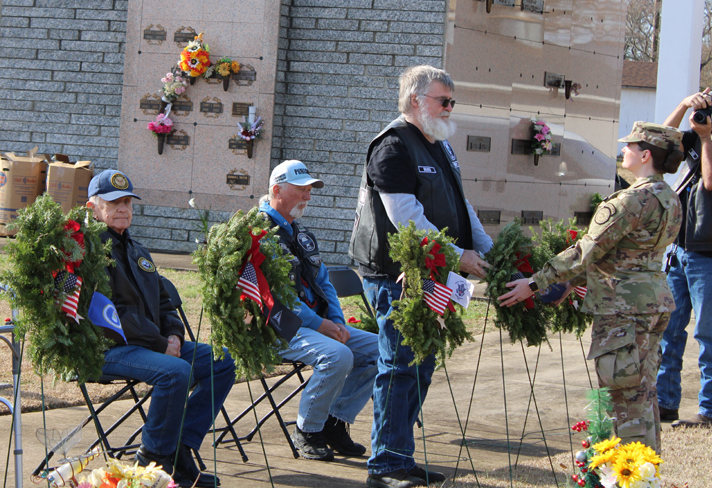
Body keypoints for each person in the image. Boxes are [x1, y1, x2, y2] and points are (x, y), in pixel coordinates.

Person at [349, 65, 493, 488]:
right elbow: (406, 219)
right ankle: (386, 465)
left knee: (421, 366)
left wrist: (485, 249)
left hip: (435, 274)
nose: (450, 108)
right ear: (416, 101)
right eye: (443, 100)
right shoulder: (392, 146)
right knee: (398, 365)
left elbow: (461, 207)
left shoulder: (440, 146)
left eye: (452, 101)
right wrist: (457, 255)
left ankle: (400, 454)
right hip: (397, 275)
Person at [500, 122, 684, 452]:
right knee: (642, 394)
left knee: (621, 400)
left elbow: (585, 251)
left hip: (622, 310)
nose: (623, 150)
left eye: (630, 146)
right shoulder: (669, 198)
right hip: (654, 304)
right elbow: (623, 254)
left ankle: (626, 475)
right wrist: (572, 284)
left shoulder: (631, 200)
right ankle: (645, 475)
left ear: (645, 155)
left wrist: (534, 283)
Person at [86, 169, 235, 488]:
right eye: (113, 202)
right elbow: (111, 315)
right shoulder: (88, 252)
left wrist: (174, 336)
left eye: (127, 201)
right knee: (175, 371)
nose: (123, 208)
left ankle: (180, 447)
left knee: (221, 362)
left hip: (149, 345)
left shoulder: (138, 251)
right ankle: (149, 466)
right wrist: (159, 343)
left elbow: (165, 304)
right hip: (107, 348)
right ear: (93, 208)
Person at [260, 160, 379, 461]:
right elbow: (276, 296)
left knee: (381, 350)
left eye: (309, 191)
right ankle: (307, 430)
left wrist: (336, 321)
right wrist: (320, 325)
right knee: (338, 355)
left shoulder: (300, 234)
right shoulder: (258, 234)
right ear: (277, 190)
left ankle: (333, 423)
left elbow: (324, 282)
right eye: (301, 190)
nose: (308, 197)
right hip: (277, 326)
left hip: (316, 325)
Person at [655, 89, 712, 428]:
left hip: (708, 256)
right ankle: (664, 403)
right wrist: (682, 106)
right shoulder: (695, 133)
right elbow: (657, 146)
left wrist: (707, 139)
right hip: (680, 249)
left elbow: (710, 181)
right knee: (670, 330)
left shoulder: (704, 139)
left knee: (708, 336)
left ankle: (708, 410)